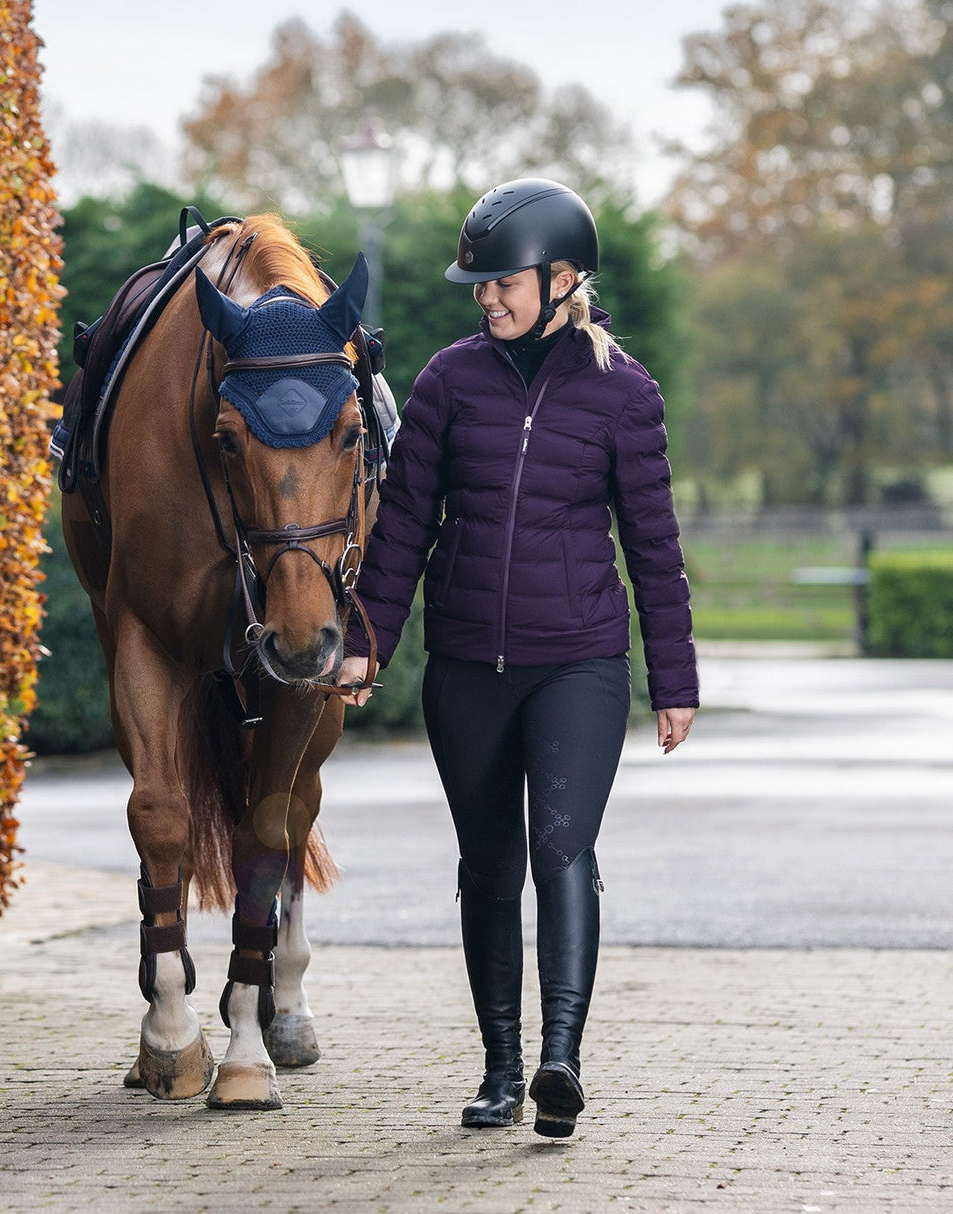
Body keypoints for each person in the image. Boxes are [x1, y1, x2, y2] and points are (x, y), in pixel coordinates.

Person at [336, 178, 699, 1139]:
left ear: (562, 275)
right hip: (466, 666)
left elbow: (652, 541)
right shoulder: (449, 381)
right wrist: (368, 642)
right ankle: (501, 1070)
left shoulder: (624, 391)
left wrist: (674, 678)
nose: (487, 296)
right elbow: (405, 523)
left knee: (563, 849)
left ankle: (560, 1061)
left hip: (578, 662)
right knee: (488, 864)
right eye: (479, 282)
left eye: (503, 280)